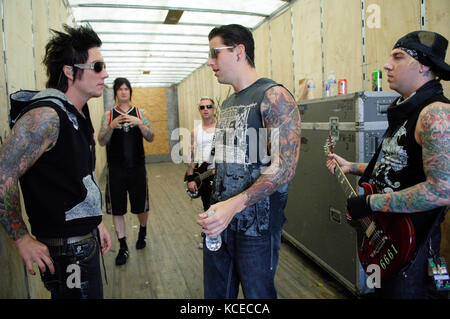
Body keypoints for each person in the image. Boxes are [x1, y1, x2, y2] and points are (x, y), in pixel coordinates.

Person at [326, 31, 450, 299]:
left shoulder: (435, 114)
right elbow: (397, 164)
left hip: (412, 250)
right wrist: (353, 167)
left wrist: (370, 204)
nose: (387, 65)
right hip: (383, 239)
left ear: (424, 65)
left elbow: (441, 191)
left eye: (398, 57)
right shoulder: (404, 109)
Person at [0, 24, 111, 299]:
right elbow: (3, 173)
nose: (105, 74)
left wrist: (94, 220)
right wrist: (21, 237)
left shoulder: (77, 115)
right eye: (97, 66)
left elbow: (73, 176)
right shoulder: (47, 117)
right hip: (68, 256)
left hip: (83, 244)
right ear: (70, 71)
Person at [197, 24, 301, 299]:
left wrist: (235, 205)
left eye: (214, 53)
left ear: (239, 51)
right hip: (221, 223)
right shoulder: (229, 101)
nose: (210, 61)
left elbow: (284, 168)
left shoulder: (274, 96)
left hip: (257, 230)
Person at [98, 77, 154, 266]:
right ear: (115, 92)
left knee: (141, 206)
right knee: (117, 209)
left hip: (137, 168)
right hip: (115, 171)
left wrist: (139, 123)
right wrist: (111, 127)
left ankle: (143, 231)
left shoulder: (140, 112)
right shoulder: (108, 115)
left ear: (130, 92)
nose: (123, 92)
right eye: (120, 89)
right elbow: (101, 141)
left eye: (126, 89)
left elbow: (151, 137)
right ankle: (122, 246)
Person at [185, 97, 217, 248]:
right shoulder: (196, 132)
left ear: (214, 109)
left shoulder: (222, 129)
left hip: (221, 175)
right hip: (205, 176)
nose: (206, 109)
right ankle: (208, 238)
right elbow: (190, 156)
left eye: (209, 106)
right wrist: (191, 178)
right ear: (199, 110)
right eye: (202, 107)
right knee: (207, 208)